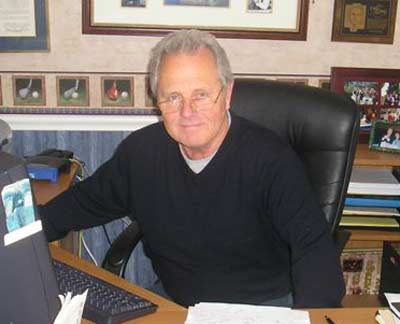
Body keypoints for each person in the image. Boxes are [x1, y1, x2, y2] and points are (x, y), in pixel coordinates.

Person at [39, 29, 345, 308]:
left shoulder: (271, 160)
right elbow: (81, 204)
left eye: (201, 94)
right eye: (173, 97)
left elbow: (314, 251)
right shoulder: (140, 154)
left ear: (227, 94)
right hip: (177, 306)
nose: (187, 112)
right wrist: (18, 235)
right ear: (157, 102)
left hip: (263, 309)